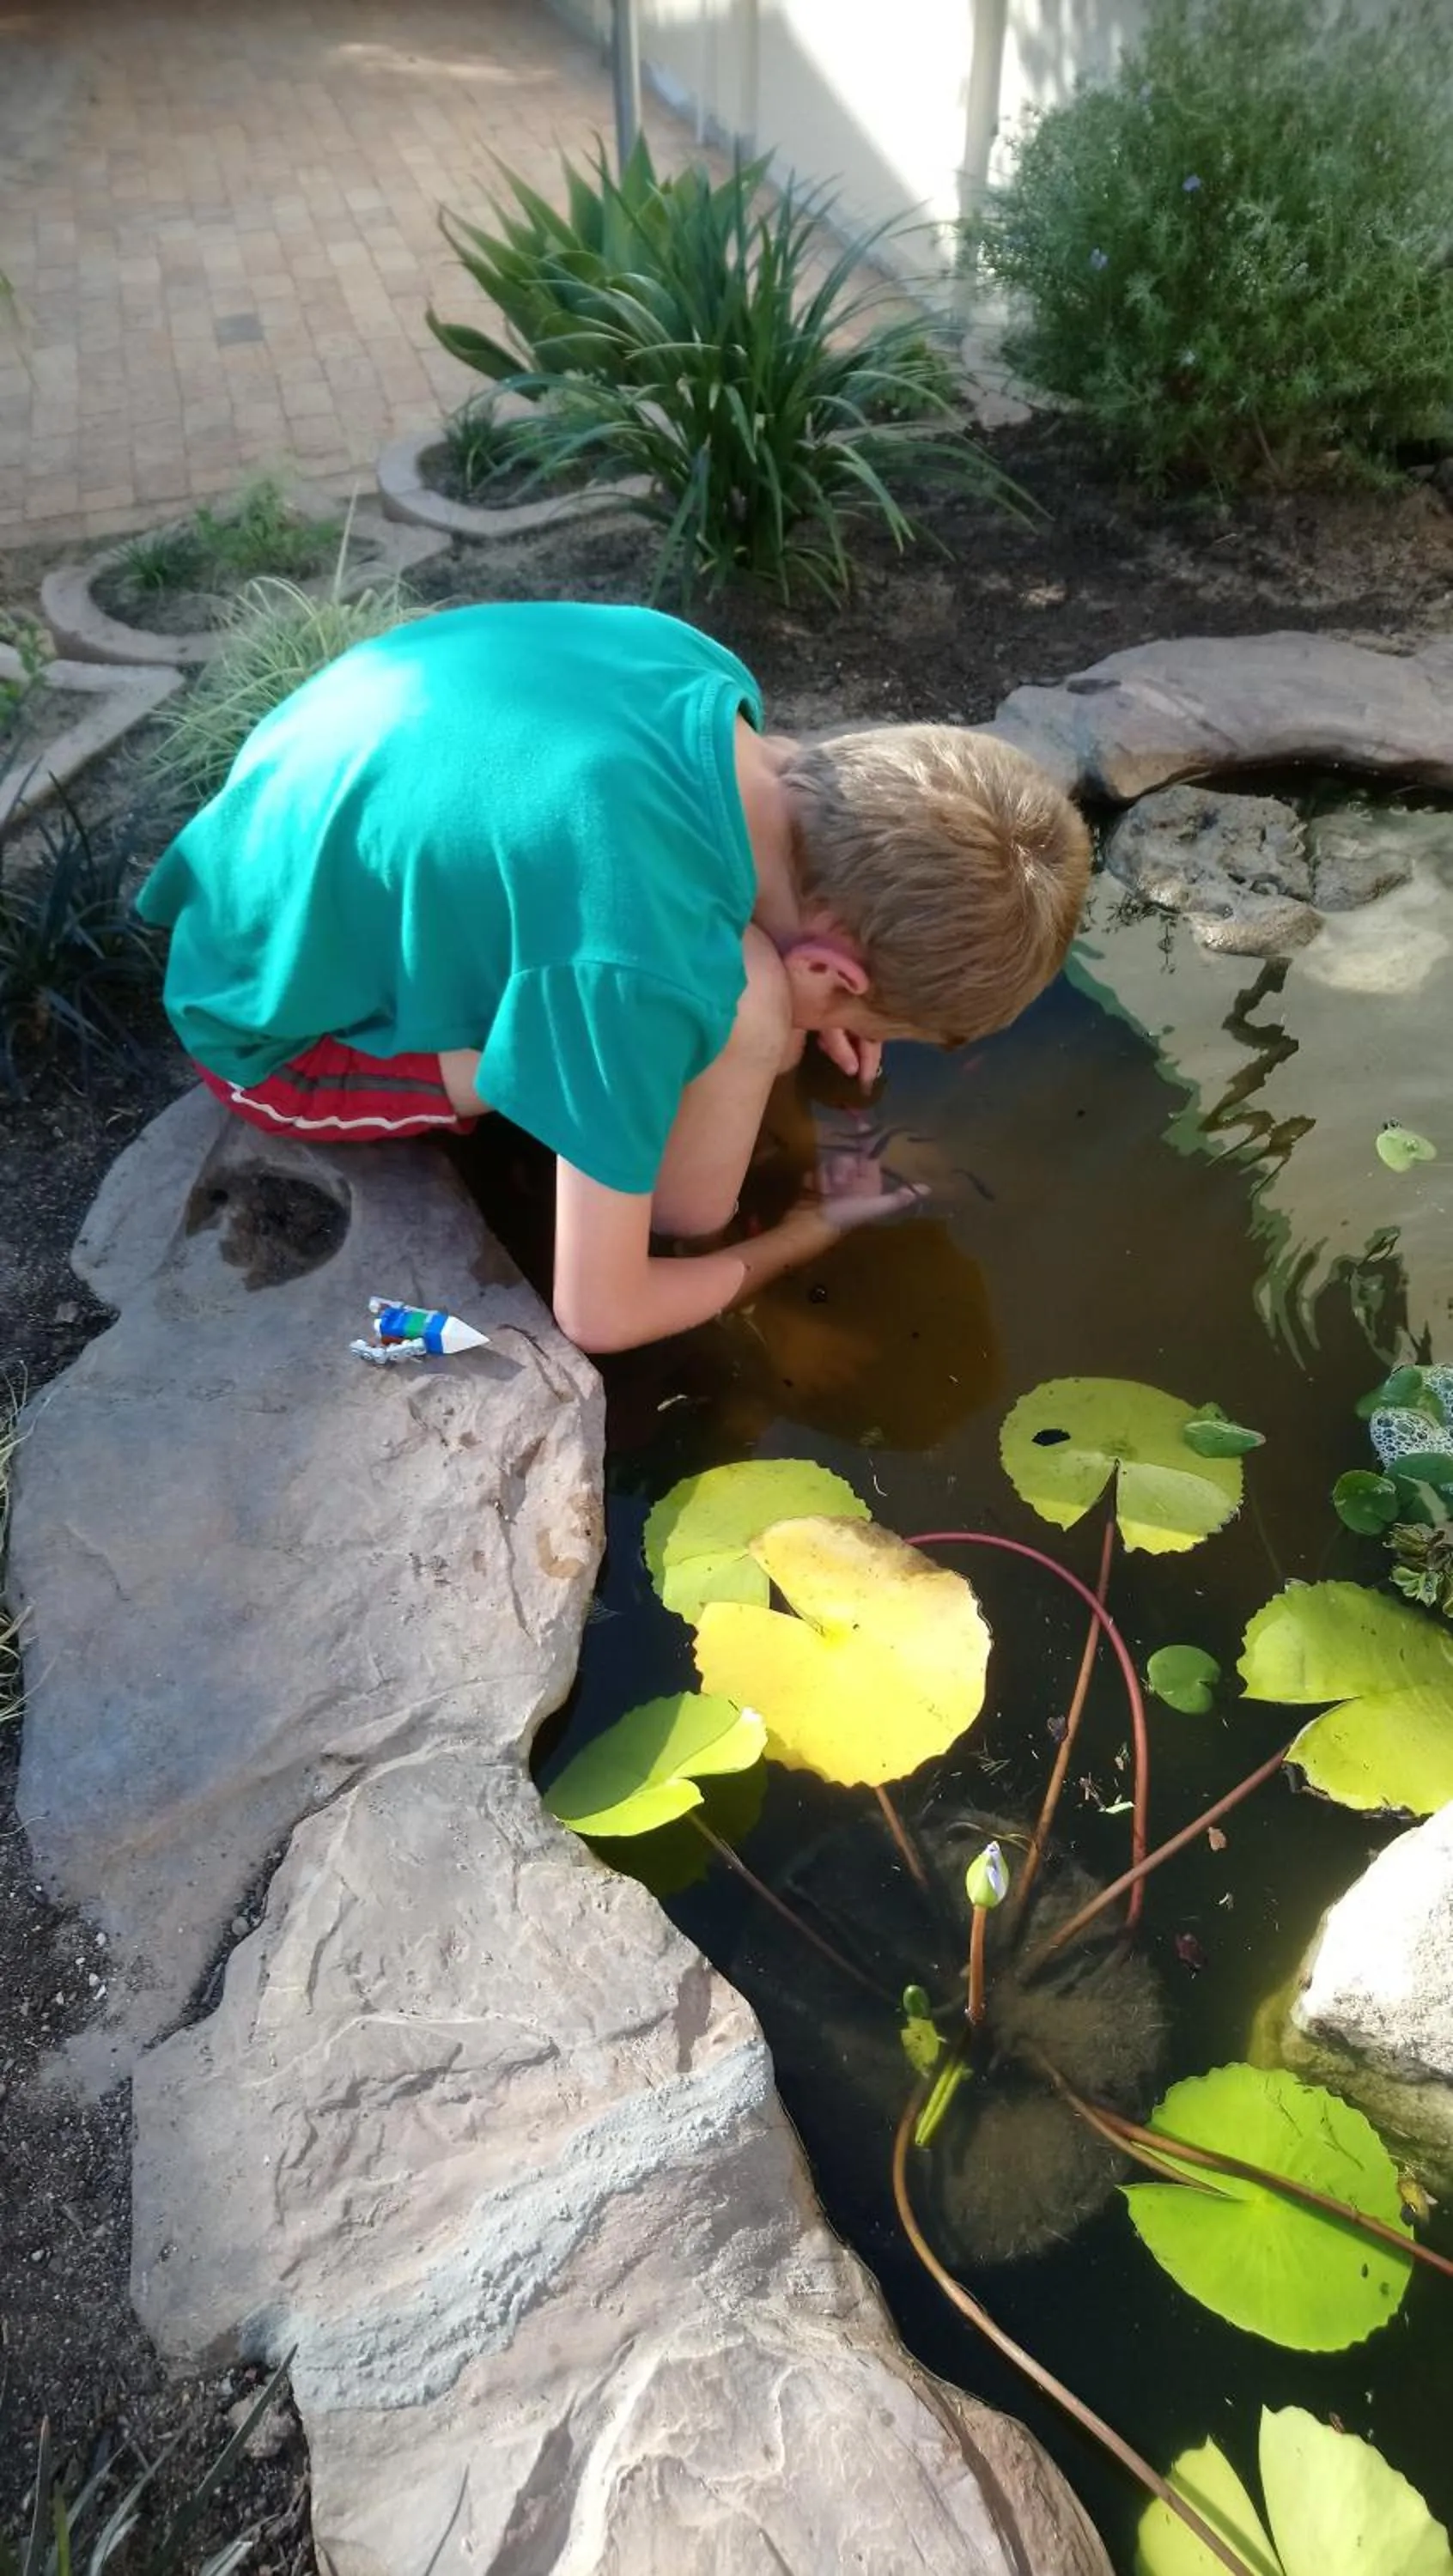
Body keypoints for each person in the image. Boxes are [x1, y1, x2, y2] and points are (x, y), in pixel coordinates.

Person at [137, 600, 1090, 1353]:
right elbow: (605, 1308)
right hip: (274, 1035)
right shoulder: (633, 967)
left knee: (744, 996)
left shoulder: (709, 683)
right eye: (868, 1017)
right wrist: (809, 1230)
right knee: (740, 1014)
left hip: (300, 831)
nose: (854, 1038)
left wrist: (833, 992)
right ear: (831, 964)